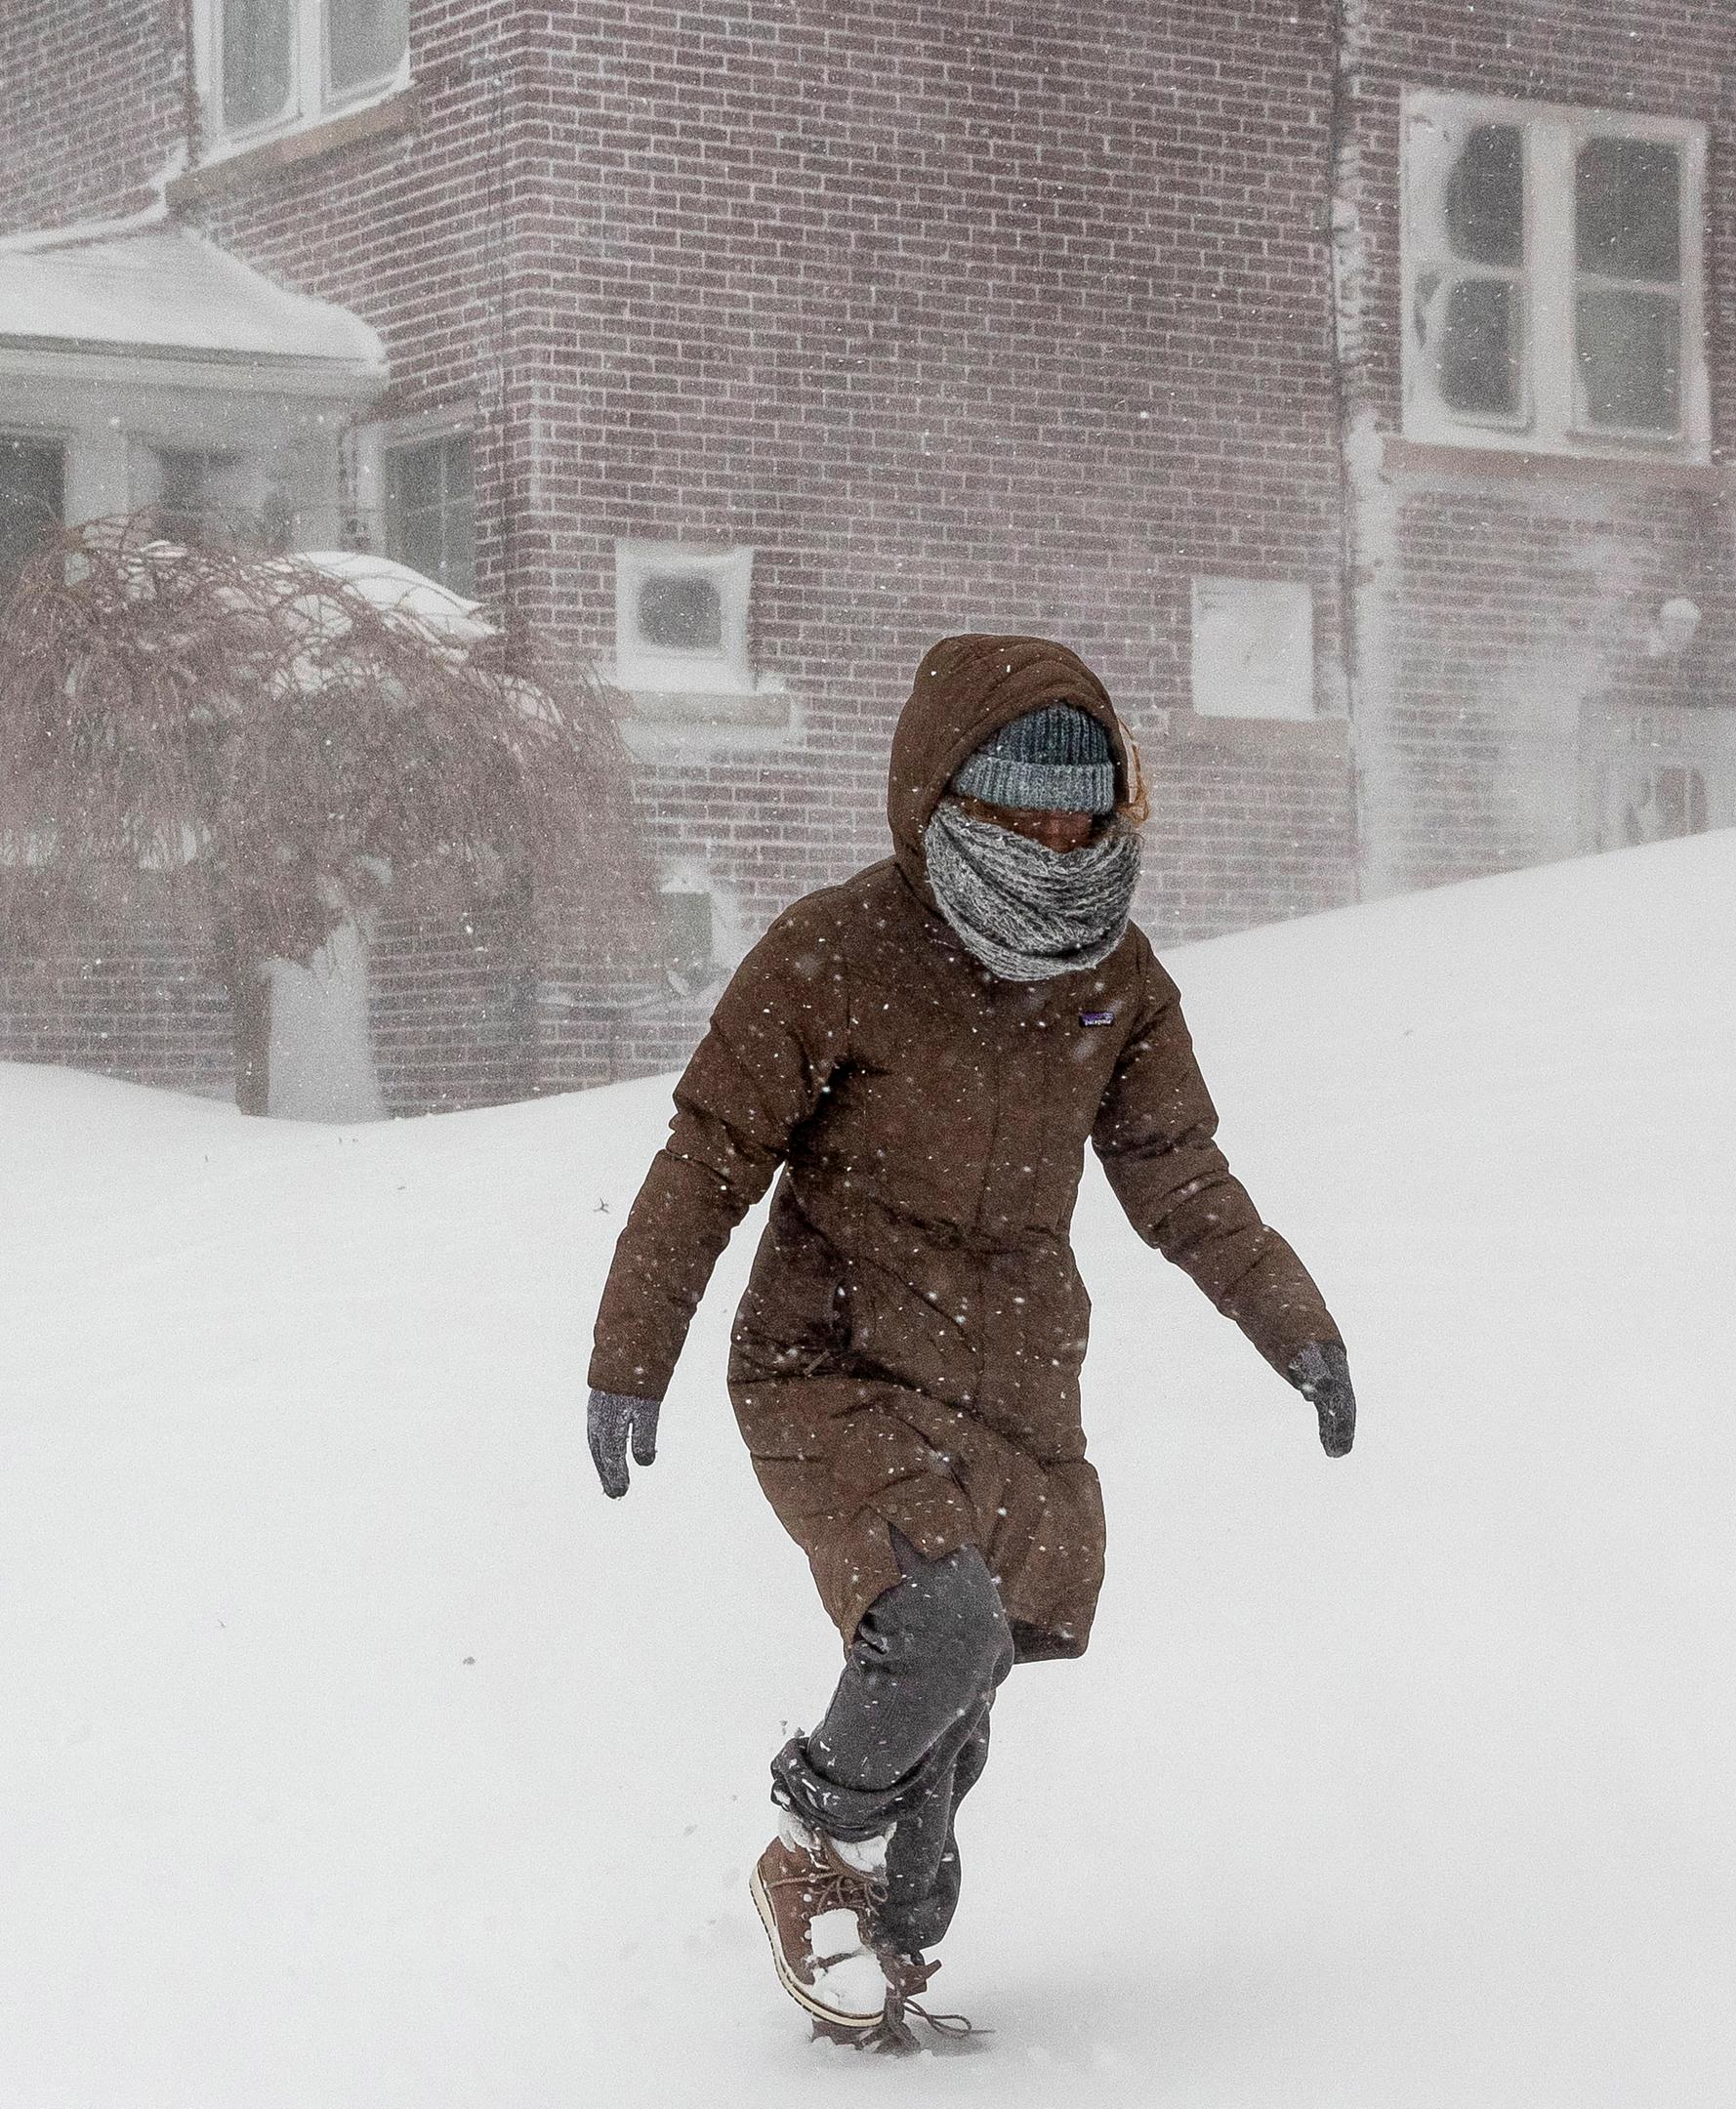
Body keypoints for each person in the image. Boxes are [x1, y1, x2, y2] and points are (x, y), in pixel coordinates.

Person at [582, 634, 1356, 2050]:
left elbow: (1179, 1175)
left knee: (954, 1735)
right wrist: (632, 1355)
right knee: (937, 1626)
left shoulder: (1115, 978)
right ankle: (810, 1852)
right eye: (1021, 809)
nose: (1057, 840)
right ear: (945, 796)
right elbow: (708, 1159)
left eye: (1081, 809)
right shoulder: (834, 954)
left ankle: (882, 1950)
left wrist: (1292, 1323)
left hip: (1008, 1388)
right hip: (832, 1369)